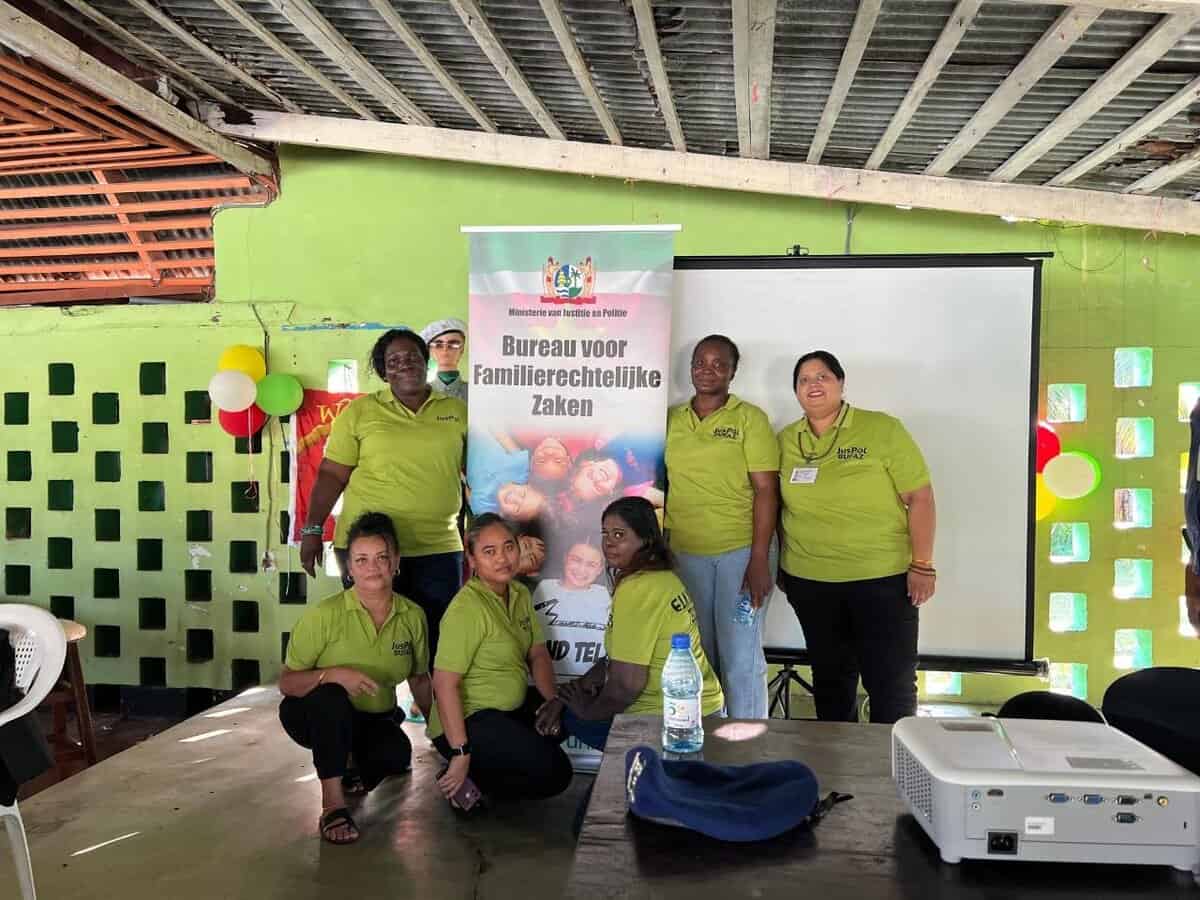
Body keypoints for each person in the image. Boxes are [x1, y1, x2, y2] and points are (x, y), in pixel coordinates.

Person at [777, 350, 936, 725]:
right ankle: (837, 759)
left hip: (881, 581)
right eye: (804, 380)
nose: (813, 385)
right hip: (811, 582)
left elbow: (921, 498)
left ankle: (890, 761)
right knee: (831, 683)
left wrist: (922, 565)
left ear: (841, 383)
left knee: (890, 683)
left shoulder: (881, 429)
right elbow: (776, 505)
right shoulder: (785, 440)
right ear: (796, 391)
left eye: (822, 376)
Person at [298, 328, 466, 658]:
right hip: (369, 551)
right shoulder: (360, 413)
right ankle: (375, 695)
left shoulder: (457, 412)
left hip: (438, 547)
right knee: (371, 641)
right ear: (383, 371)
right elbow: (332, 474)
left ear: (426, 361)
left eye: (412, 357)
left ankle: (428, 695)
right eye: (394, 360)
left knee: (436, 643)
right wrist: (312, 529)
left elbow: (478, 473)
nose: (405, 364)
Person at [279, 512, 432, 845]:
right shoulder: (324, 615)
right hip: (314, 715)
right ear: (349, 567)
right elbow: (287, 683)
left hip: (372, 719)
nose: (372, 567)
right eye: (361, 559)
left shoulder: (412, 616)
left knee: (396, 755)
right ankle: (333, 805)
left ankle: (348, 761)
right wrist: (332, 674)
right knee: (331, 697)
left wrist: (442, 735)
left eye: (381, 557)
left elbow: (420, 680)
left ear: (396, 561)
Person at [538, 497, 724, 752]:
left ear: (645, 538)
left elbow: (627, 686)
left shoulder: (638, 588)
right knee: (565, 707)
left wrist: (585, 712)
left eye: (619, 534)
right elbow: (613, 661)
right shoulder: (661, 577)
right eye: (605, 534)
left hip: (674, 721)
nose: (609, 543)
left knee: (564, 719)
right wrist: (566, 695)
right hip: (704, 707)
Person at [665, 334, 779, 719]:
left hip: (742, 552)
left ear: (733, 371)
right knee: (698, 655)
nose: (707, 370)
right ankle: (708, 740)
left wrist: (759, 559)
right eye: (700, 362)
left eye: (718, 364)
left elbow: (766, 490)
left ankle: (748, 744)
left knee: (740, 657)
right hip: (685, 553)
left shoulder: (750, 419)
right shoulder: (671, 420)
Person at [429, 514, 573, 805]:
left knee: (570, 715)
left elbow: (537, 653)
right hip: (469, 721)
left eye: (508, 547)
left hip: (508, 712)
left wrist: (553, 702)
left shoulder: (519, 593)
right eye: (489, 551)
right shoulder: (466, 609)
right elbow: (444, 684)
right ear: (472, 560)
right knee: (556, 773)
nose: (502, 558)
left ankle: (480, 774)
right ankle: (468, 777)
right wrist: (460, 752)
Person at [532, 537, 611, 679]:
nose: (581, 569)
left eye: (591, 564)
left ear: (600, 569)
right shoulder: (543, 589)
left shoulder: (606, 597)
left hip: (590, 686)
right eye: (576, 560)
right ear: (565, 558)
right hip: (543, 683)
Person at [421, 317, 468, 402]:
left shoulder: (477, 392)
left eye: (453, 344)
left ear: (462, 349)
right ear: (429, 350)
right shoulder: (420, 393)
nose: (445, 349)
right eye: (438, 345)